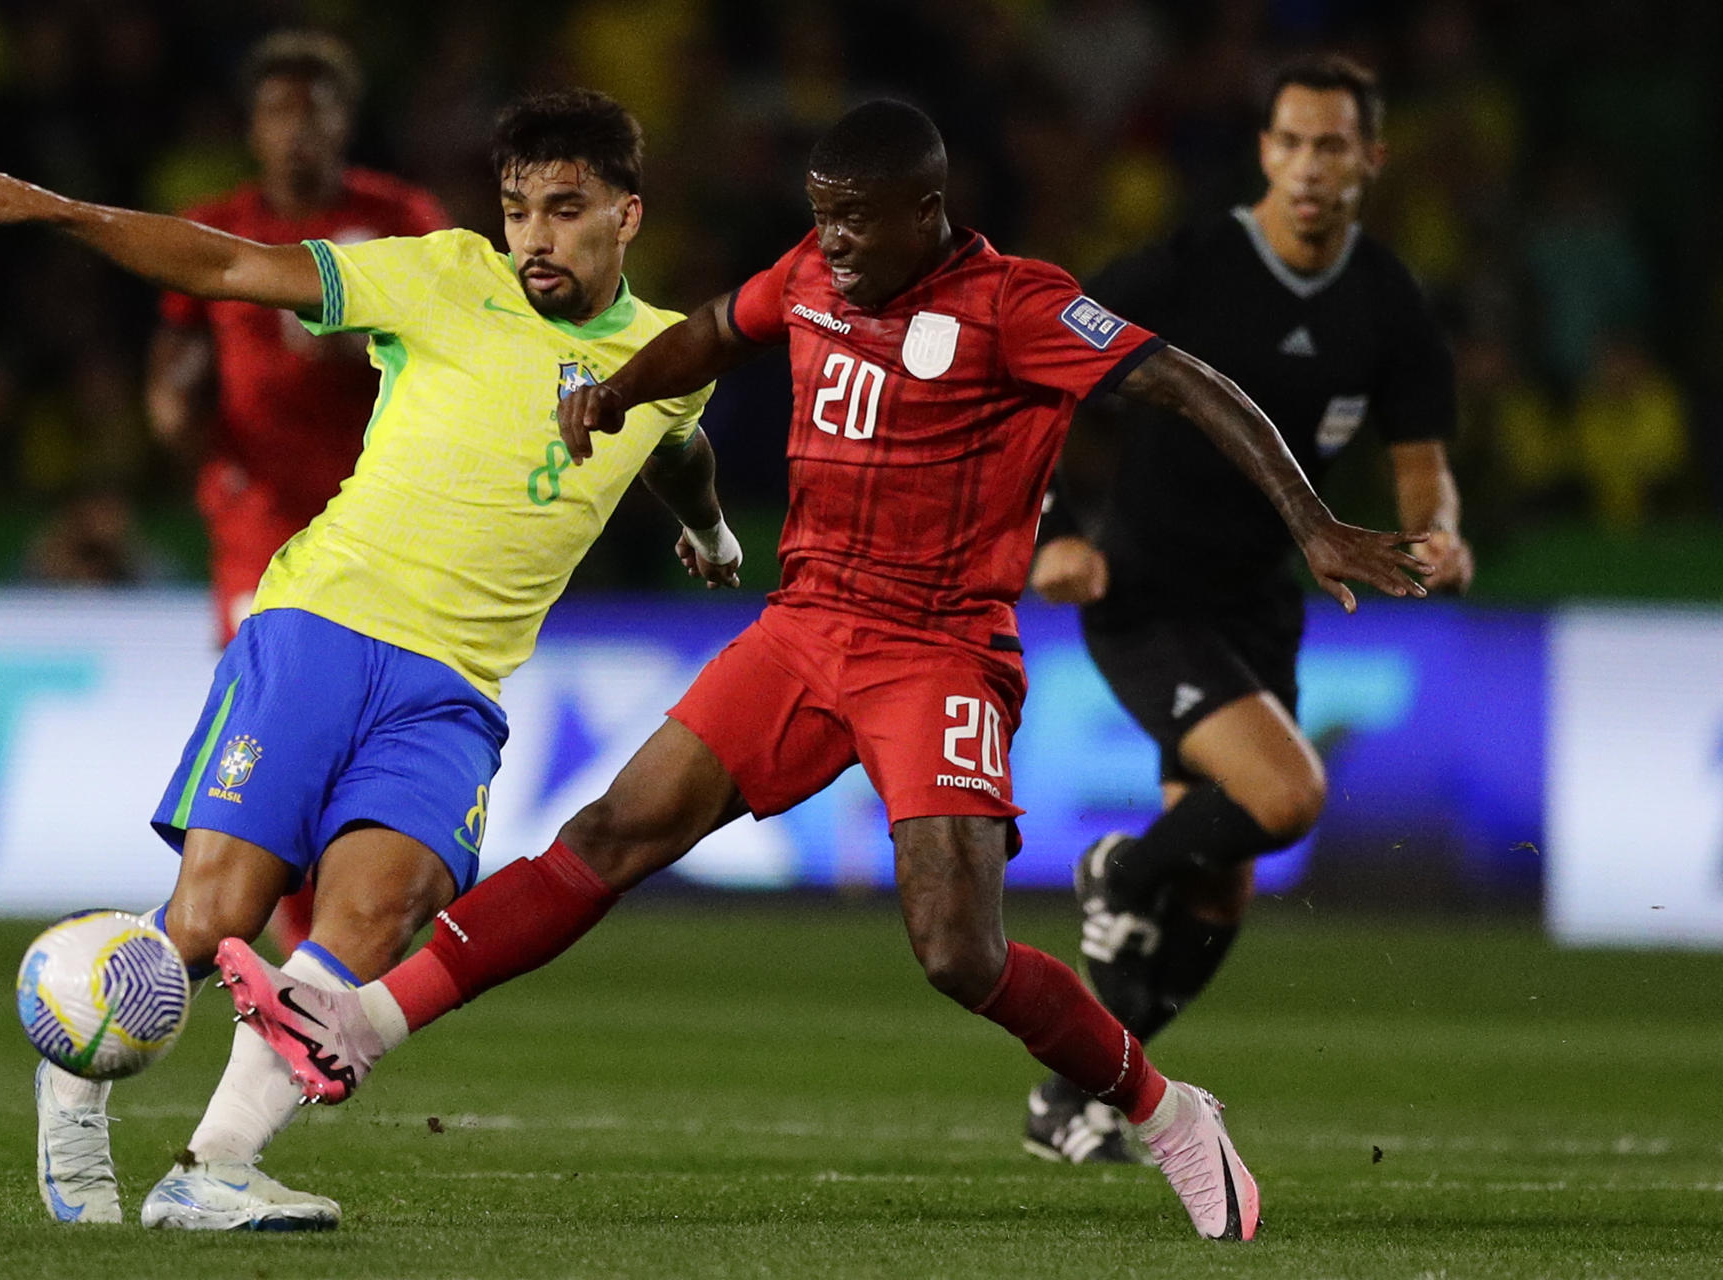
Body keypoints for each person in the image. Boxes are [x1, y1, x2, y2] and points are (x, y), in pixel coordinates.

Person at [221, 99, 1433, 1243]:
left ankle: (1170, 1109)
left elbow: (1184, 381)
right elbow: (714, 329)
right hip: (806, 625)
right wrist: (619, 387)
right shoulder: (814, 271)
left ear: (930, 210)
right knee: (611, 832)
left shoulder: (1018, 305)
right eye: (821, 213)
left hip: (940, 648)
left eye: (858, 218)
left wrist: (1315, 521)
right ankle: (366, 1023)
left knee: (958, 951)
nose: (834, 241)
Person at [0, 88, 740, 1232]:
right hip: (322, 627)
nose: (535, 238)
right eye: (518, 210)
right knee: (213, 922)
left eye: (565, 210)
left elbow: (678, 440)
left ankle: (211, 1164)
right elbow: (225, 266)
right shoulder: (446, 274)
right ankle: (73, 1078)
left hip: (454, 689)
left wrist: (705, 529)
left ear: (627, 214)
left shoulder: (669, 353)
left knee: (377, 910)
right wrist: (45, 207)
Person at [1019, 54, 1472, 1166]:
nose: (1310, 166)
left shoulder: (1388, 302)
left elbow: (1424, 465)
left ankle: (1071, 1097)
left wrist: (1440, 530)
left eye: (1333, 146)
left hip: (1260, 609)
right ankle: (1117, 869)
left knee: (1218, 888)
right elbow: (1031, 378)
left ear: (1371, 159)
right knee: (1284, 791)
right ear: (1264, 151)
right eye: (1291, 142)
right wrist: (1055, 532)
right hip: (1145, 594)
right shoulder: (1187, 266)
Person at [148, 31, 450, 956]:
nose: (297, 131)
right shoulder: (217, 228)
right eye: (279, 111)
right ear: (252, 128)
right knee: (275, 743)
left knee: (354, 750)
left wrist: (365, 339)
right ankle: (287, 957)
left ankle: (310, 946)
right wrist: (173, 397)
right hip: (261, 525)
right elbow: (176, 364)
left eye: (315, 112)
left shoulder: (400, 218)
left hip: (383, 526)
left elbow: (462, 336)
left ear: (344, 123)